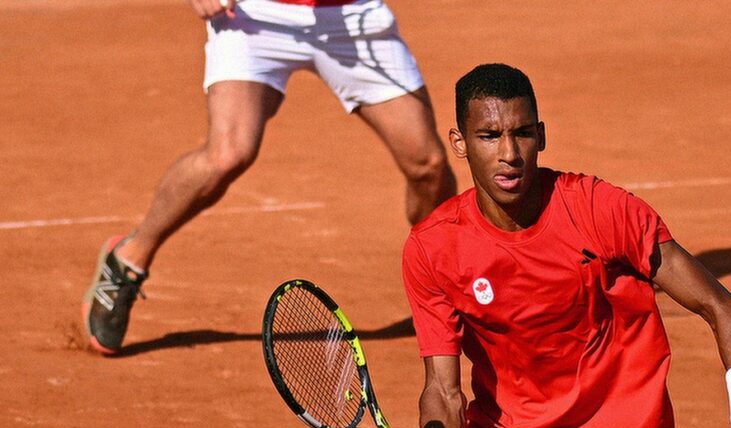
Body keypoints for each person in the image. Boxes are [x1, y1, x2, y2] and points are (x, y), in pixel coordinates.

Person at [321, 63, 731, 428]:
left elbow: (720, 305)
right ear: (460, 142)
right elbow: (443, 389)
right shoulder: (434, 247)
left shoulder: (602, 210)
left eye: (522, 134)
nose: (509, 153)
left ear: (542, 136)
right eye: (489, 135)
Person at [82, 0, 456, 354]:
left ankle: (441, 293)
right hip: (253, 16)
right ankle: (129, 258)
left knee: (428, 165)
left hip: (352, 16)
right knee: (228, 154)